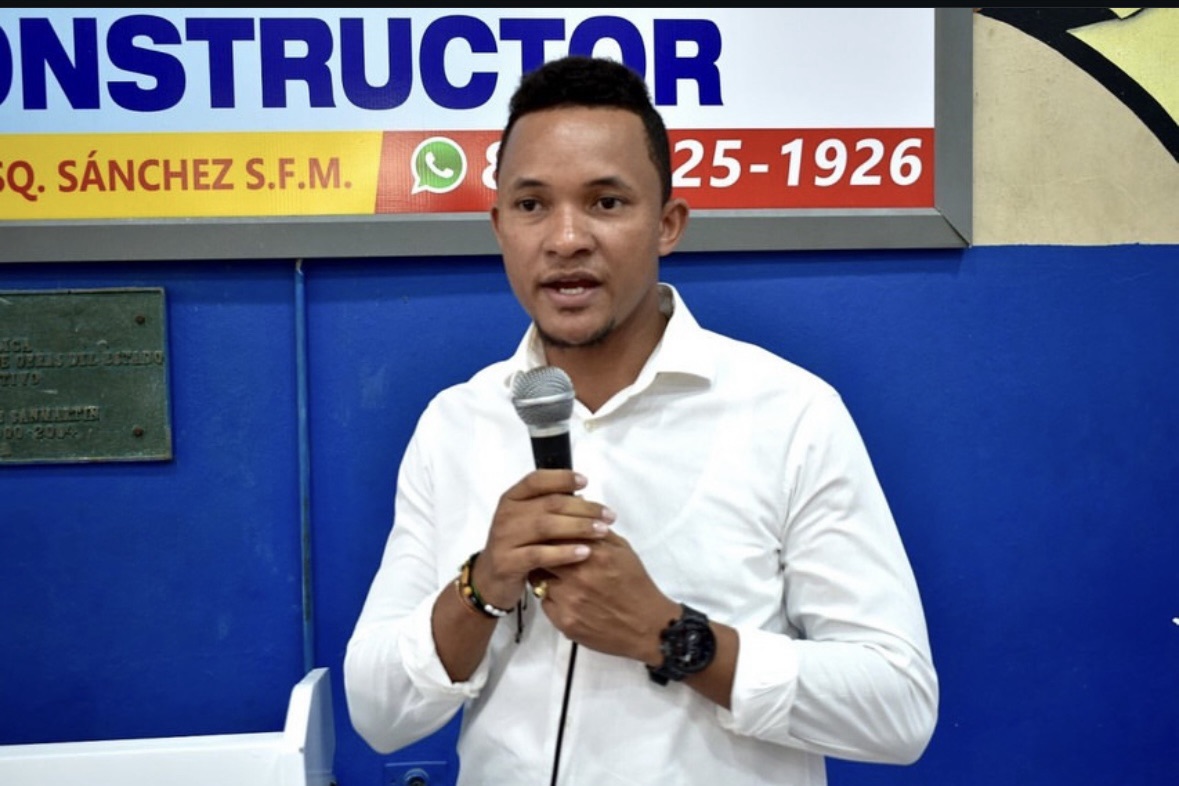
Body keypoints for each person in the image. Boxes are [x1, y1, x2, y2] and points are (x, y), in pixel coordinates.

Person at [344, 55, 938, 785]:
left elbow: (897, 707)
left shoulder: (789, 413)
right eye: (531, 205)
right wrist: (482, 583)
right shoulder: (455, 424)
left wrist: (671, 636)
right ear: (499, 227)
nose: (566, 238)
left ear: (666, 224)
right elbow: (377, 713)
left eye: (605, 202)